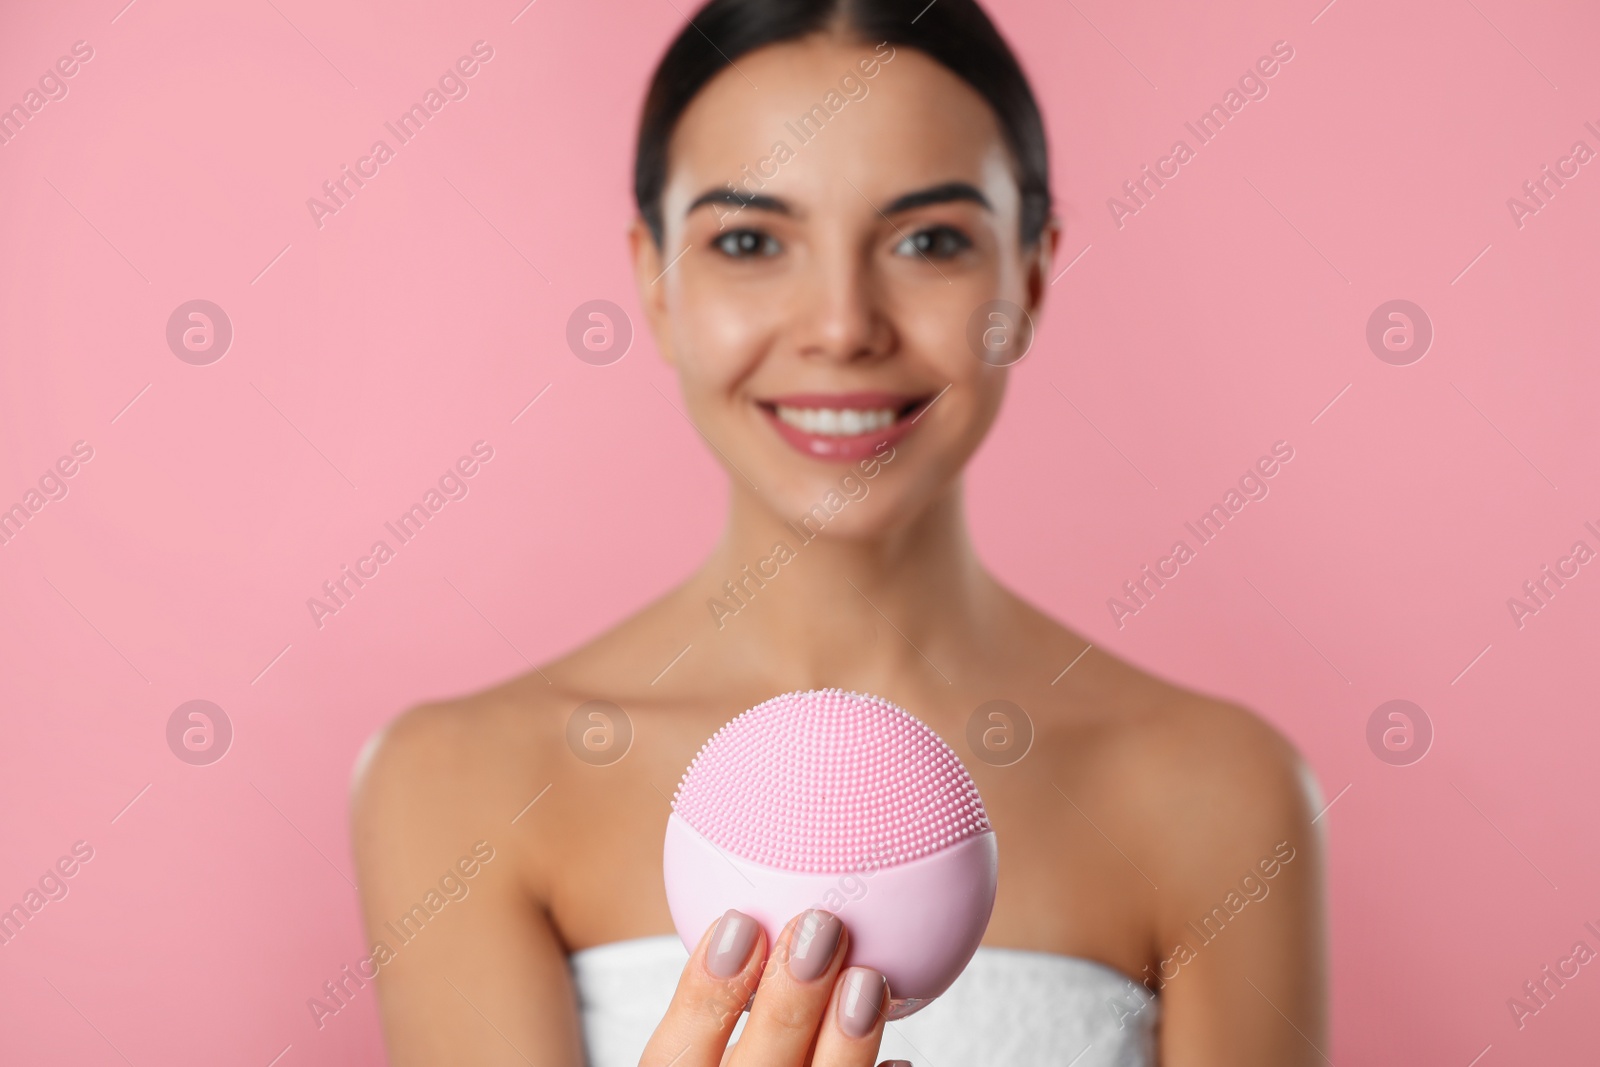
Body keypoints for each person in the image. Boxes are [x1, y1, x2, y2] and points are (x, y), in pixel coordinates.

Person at [351, 0, 1328, 1063]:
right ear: (655, 280)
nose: (841, 326)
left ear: (1031, 275)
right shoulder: (460, 781)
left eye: (928, 239)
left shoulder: (1220, 789)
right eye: (748, 240)